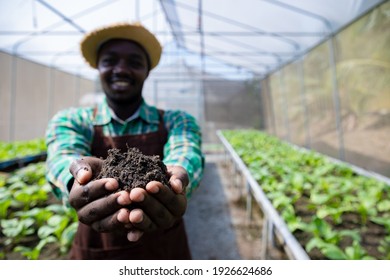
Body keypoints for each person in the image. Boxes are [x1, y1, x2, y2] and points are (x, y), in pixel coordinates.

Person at [45, 22, 204, 260]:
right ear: (98, 68)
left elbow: (185, 151)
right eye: (110, 61)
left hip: (164, 250)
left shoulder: (176, 120)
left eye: (134, 62)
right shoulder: (72, 120)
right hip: (97, 250)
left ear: (147, 71)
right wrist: (76, 182)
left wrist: (177, 182)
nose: (121, 69)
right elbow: (64, 154)